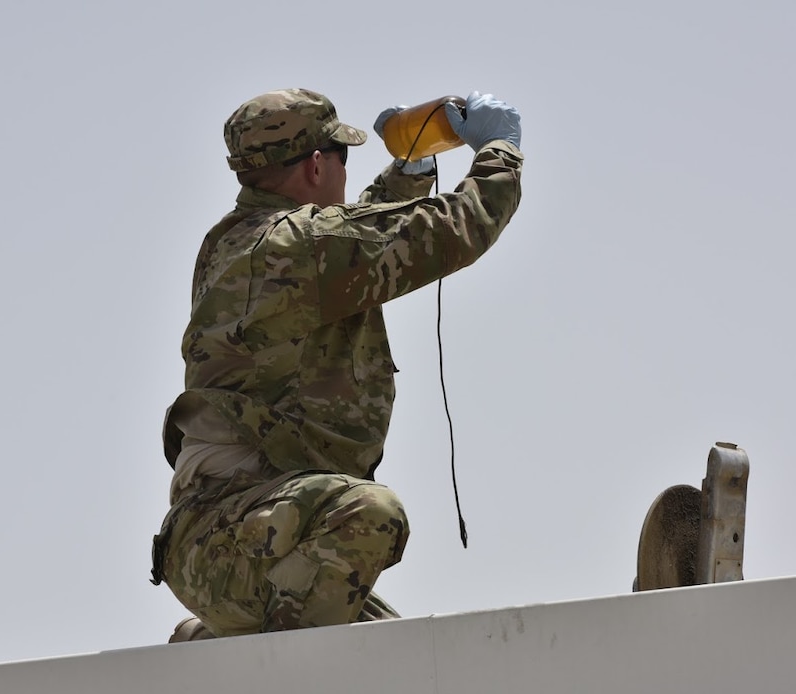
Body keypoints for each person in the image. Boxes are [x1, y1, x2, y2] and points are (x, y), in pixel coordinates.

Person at [150, 88, 523, 641]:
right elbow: (450, 228)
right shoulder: (303, 246)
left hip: (245, 535)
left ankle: (214, 641)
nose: (346, 170)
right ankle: (291, 689)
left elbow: (352, 238)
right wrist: (500, 151)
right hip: (243, 537)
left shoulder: (239, 241)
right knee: (370, 513)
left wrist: (409, 174)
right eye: (342, 156)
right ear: (318, 163)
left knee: (401, 656)